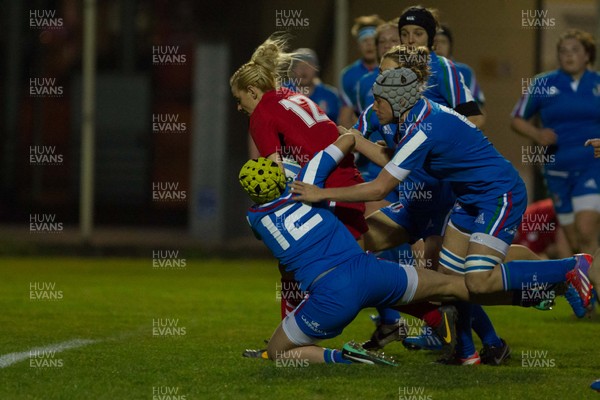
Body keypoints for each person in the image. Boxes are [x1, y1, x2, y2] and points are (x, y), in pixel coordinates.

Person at [291, 66, 595, 364]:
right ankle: (469, 349)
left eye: (380, 99)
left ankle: (570, 267)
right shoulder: (416, 116)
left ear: (397, 101)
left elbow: (380, 188)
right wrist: (357, 141)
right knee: (451, 283)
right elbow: (395, 160)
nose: (374, 106)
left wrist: (320, 193)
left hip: (499, 195)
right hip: (469, 199)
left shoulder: (424, 128)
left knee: (477, 282)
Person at [239, 134, 475, 366]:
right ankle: (509, 290)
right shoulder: (308, 178)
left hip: (331, 296)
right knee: (453, 284)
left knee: (278, 351)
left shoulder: (255, 218)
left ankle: (346, 356)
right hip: (370, 271)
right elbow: (349, 140)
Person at [231, 34, 367, 357]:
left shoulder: (261, 113)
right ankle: (286, 340)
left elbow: (273, 174)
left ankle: (434, 316)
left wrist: (262, 215)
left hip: (326, 190)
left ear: (252, 91)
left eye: (240, 99)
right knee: (353, 269)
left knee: (351, 273)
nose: (239, 107)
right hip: (346, 180)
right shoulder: (289, 96)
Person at [511, 29, 600, 256]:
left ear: (587, 55)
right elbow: (516, 119)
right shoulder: (543, 83)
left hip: (592, 166)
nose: (568, 55)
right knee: (572, 237)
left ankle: (593, 290)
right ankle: (580, 286)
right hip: (556, 170)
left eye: (575, 50)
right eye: (563, 51)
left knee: (586, 229)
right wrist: (537, 133)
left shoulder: (597, 84)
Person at [338, 15, 384, 128]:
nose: (369, 45)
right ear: (358, 45)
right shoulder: (348, 75)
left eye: (373, 40)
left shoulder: (392, 68)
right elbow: (345, 117)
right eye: (364, 40)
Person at [433, 25, 485, 108]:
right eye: (435, 42)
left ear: (450, 46)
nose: (439, 46)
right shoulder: (422, 72)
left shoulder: (464, 72)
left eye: (443, 42)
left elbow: (478, 106)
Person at [287, 48, 341, 123]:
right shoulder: (280, 94)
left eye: (308, 65)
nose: (304, 69)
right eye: (298, 65)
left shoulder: (331, 96)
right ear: (292, 70)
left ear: (316, 69)